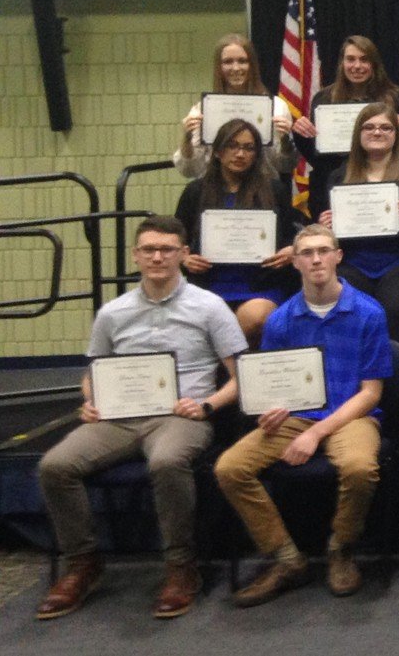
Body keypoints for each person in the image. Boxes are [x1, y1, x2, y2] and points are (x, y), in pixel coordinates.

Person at [34, 216, 247, 620]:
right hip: (118, 416)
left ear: (184, 255)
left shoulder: (210, 306)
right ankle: (83, 564)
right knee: (54, 466)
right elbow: (92, 373)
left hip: (181, 415)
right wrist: (91, 400)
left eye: (167, 249)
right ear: (135, 255)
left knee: (166, 461)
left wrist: (206, 406)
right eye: (148, 249)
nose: (157, 257)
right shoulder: (113, 312)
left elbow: (241, 378)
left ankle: (181, 567)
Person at [215, 224, 391, 606]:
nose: (316, 259)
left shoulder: (368, 312)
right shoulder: (279, 320)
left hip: (351, 415)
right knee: (230, 468)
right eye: (307, 253)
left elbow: (370, 394)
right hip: (297, 416)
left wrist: (316, 433)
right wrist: (272, 409)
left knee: (360, 468)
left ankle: (340, 548)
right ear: (294, 262)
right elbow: (275, 388)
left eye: (324, 251)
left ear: (338, 256)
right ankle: (286, 558)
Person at [313, 103, 399, 420]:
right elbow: (324, 235)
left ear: (396, 134)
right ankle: (346, 401)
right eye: (369, 127)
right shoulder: (338, 176)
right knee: (342, 303)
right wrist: (327, 226)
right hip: (355, 262)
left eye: (385, 128)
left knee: (396, 307)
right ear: (358, 134)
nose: (377, 132)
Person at [173, 118, 298, 345]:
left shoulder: (274, 190)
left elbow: (292, 235)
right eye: (232, 146)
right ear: (218, 151)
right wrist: (185, 259)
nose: (240, 154)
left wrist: (291, 250)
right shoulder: (196, 191)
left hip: (261, 285)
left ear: (256, 154)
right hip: (209, 285)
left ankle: (227, 358)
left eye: (248, 148)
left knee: (257, 318)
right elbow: (176, 240)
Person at [291, 35, 399, 218]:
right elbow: (316, 157)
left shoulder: (397, 98)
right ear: (342, 63)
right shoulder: (324, 99)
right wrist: (301, 135)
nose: (357, 66)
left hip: (385, 182)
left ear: (374, 64)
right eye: (350, 59)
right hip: (336, 182)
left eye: (364, 60)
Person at [172, 33, 294, 179]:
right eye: (228, 62)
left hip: (262, 191)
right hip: (216, 192)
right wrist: (187, 139)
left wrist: (286, 141)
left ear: (252, 65)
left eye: (242, 61)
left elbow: (285, 166)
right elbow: (189, 171)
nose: (235, 68)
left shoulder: (276, 107)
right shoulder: (203, 109)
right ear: (219, 67)